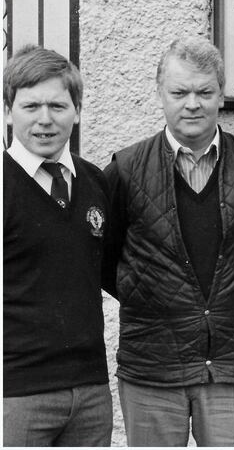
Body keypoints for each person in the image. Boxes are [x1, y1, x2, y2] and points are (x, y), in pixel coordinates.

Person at [104, 36, 234, 446]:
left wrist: (222, 300)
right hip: (152, 365)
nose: (193, 103)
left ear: (221, 96)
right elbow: (107, 262)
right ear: (160, 94)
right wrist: (164, 301)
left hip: (232, 365)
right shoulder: (125, 169)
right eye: (180, 92)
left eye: (205, 92)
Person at [3, 45, 113, 446]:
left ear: (77, 110)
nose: (45, 120)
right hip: (15, 394)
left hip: (91, 392)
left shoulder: (96, 182)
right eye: (31, 106)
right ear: (8, 110)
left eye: (57, 105)